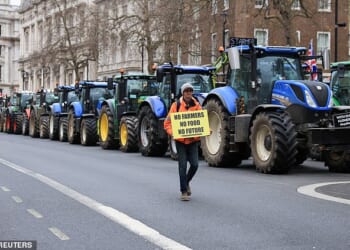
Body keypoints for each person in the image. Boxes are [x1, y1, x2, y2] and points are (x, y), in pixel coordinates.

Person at [164, 83, 202, 201]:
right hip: (180, 141)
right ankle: (184, 191)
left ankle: (186, 181)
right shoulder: (176, 106)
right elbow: (167, 123)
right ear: (182, 93)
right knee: (182, 166)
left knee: (195, 165)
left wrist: (207, 130)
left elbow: (202, 122)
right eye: (186, 91)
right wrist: (173, 133)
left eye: (190, 91)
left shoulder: (197, 106)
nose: (188, 93)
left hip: (193, 141)